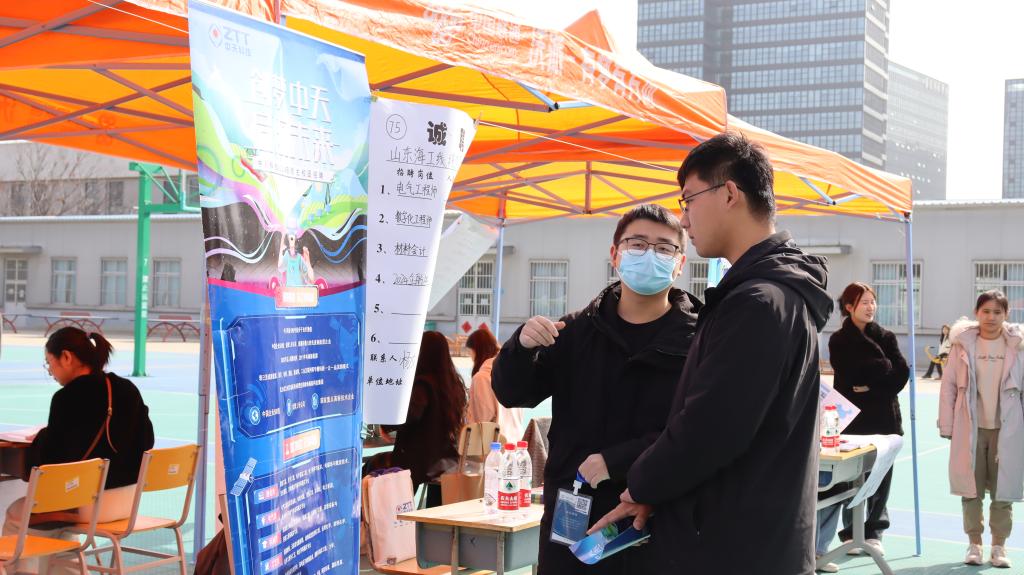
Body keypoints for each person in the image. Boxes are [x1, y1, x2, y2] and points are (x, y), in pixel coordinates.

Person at [590, 132, 833, 574]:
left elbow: (710, 428)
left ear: (729, 194)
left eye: (688, 200)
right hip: (751, 538)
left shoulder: (758, 302)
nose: (684, 219)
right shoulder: (773, 294)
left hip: (734, 546)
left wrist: (641, 485)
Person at [492, 203, 701, 574]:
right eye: (638, 244)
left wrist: (618, 460)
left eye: (663, 248)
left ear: (680, 263)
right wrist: (520, 349)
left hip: (658, 521)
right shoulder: (575, 332)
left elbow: (703, 430)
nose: (649, 255)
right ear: (615, 254)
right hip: (574, 522)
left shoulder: (699, 340)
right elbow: (513, 393)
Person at [4, 327, 154, 574]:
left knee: (19, 514)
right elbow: (147, 441)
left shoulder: (67, 398)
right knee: (61, 521)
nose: (50, 372)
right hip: (127, 502)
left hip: (87, 506)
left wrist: (41, 439)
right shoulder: (127, 389)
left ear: (66, 357)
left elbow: (51, 465)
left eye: (49, 363)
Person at [816, 282, 909, 566]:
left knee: (882, 477)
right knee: (850, 478)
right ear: (849, 307)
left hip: (885, 417)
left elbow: (901, 374)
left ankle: (874, 532)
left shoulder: (886, 336)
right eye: (864, 302)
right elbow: (852, 374)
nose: (870, 307)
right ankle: (850, 533)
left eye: (872, 301)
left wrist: (872, 385)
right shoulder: (838, 340)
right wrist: (883, 370)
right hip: (853, 419)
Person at [939, 290, 1024, 568]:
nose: (991, 317)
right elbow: (949, 386)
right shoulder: (962, 345)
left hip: (1007, 430)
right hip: (970, 428)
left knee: (1004, 491)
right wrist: (947, 424)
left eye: (997, 312)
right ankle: (974, 544)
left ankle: (999, 546)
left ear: (1006, 314)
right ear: (976, 313)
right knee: (970, 489)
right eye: (986, 311)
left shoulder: (1017, 346)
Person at [363, 331, 467, 506]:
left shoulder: (422, 384)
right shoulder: (454, 385)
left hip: (419, 462)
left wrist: (386, 426)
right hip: (446, 461)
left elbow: (411, 415)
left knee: (371, 465)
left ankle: (375, 516)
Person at [465, 327, 524, 442]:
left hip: (494, 446)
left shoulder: (482, 378)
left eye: (470, 353)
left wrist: (467, 413)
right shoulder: (512, 372)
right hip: (516, 442)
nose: (471, 358)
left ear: (477, 351)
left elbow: (481, 421)